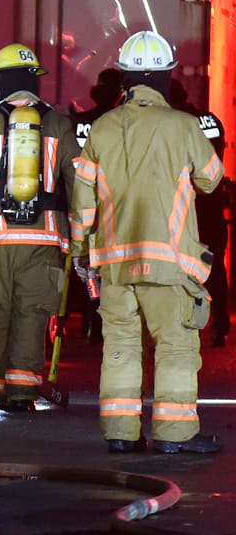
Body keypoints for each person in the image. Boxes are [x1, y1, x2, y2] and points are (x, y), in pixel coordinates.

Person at [70, 30, 224, 454]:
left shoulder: (101, 128)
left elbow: (83, 200)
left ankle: (120, 433)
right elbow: (211, 179)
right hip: (169, 263)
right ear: (165, 78)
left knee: (120, 344)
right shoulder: (182, 125)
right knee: (175, 344)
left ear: (125, 79)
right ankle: (175, 434)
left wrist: (82, 250)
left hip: (114, 265)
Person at [0, 43, 78, 413]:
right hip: (45, 237)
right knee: (32, 312)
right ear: (34, 81)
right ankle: (23, 391)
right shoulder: (57, 123)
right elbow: (79, 181)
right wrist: (82, 235)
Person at [167, 79, 231, 347]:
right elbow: (216, 156)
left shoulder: (170, 124)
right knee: (213, 268)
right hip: (210, 205)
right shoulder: (208, 120)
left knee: (177, 267)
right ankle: (219, 325)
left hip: (182, 208)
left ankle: (181, 324)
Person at [69, 69, 124, 343]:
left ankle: (91, 319)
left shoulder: (82, 121)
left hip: (85, 201)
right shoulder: (122, 123)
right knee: (110, 269)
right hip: (115, 206)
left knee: (88, 269)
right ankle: (104, 319)